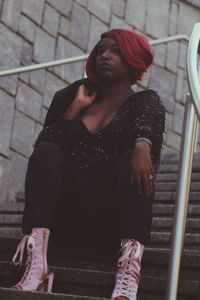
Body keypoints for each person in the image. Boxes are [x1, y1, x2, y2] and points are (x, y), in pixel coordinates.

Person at [11, 29, 165, 300]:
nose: (104, 55)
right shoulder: (71, 96)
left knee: (133, 156)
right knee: (47, 152)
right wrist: (75, 108)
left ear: (133, 60)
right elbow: (42, 151)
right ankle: (36, 267)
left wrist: (142, 146)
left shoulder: (145, 101)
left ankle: (128, 273)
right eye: (101, 49)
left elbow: (148, 128)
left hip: (110, 225)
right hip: (62, 220)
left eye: (115, 51)